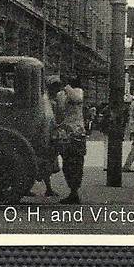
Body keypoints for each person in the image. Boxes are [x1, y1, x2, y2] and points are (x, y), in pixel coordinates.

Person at [51, 75, 88, 205]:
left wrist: (67, 87)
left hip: (77, 133)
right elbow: (59, 111)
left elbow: (76, 98)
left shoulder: (78, 92)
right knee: (68, 163)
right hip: (67, 133)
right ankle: (73, 192)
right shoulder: (62, 95)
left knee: (76, 163)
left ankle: (74, 192)